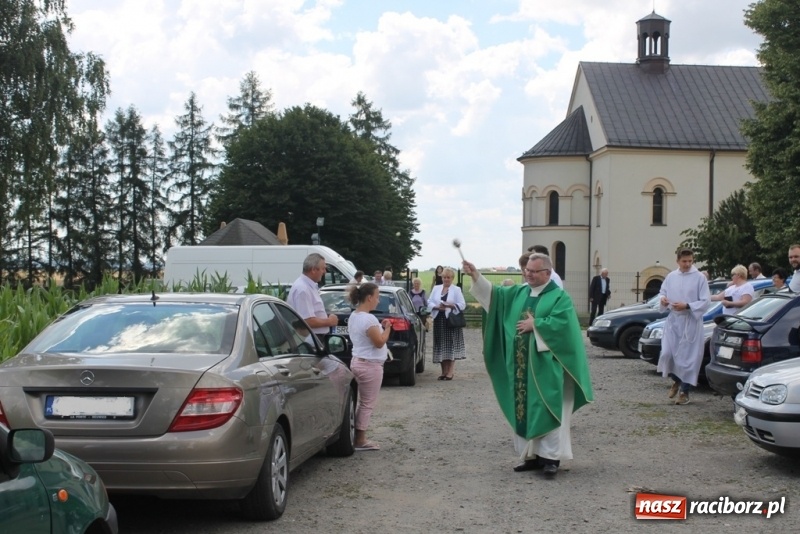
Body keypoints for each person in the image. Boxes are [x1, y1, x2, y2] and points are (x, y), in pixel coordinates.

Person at [462, 253, 593, 478]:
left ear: (547, 273)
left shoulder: (559, 298)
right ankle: (531, 456)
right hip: (521, 367)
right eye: (527, 270)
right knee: (523, 409)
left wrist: (538, 324)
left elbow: (565, 328)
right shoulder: (520, 292)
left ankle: (551, 459)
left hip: (547, 367)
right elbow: (495, 297)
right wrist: (476, 275)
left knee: (548, 408)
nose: (528, 274)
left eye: (533, 271)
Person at [657, 248, 710, 406]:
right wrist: (663, 300)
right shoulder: (671, 276)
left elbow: (705, 301)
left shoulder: (699, 278)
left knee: (687, 359)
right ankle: (676, 379)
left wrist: (687, 305)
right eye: (684, 261)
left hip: (690, 322)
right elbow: (662, 292)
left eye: (690, 261)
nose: (687, 264)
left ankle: (684, 391)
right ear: (678, 261)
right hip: (674, 321)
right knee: (667, 353)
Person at [347, 283, 392, 451]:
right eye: (377, 296)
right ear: (369, 298)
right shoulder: (369, 319)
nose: (378, 301)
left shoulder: (355, 315)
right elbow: (379, 342)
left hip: (357, 361)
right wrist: (387, 329)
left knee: (359, 401)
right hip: (370, 365)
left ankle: (355, 435)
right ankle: (360, 438)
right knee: (367, 403)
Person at [427, 267, 466, 380]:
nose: (446, 279)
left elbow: (462, 304)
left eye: (448, 277)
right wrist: (436, 307)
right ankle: (443, 372)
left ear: (452, 278)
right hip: (439, 320)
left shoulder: (456, 290)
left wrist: (449, 306)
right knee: (440, 345)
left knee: (450, 346)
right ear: (441, 277)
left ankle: (450, 372)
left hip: (451, 321)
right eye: (444, 277)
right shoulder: (436, 288)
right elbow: (429, 301)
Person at [287, 253, 339, 336]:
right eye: (323, 269)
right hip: (312, 341)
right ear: (314, 270)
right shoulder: (303, 289)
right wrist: (329, 321)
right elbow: (307, 321)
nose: (325, 272)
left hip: (314, 339)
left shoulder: (307, 286)